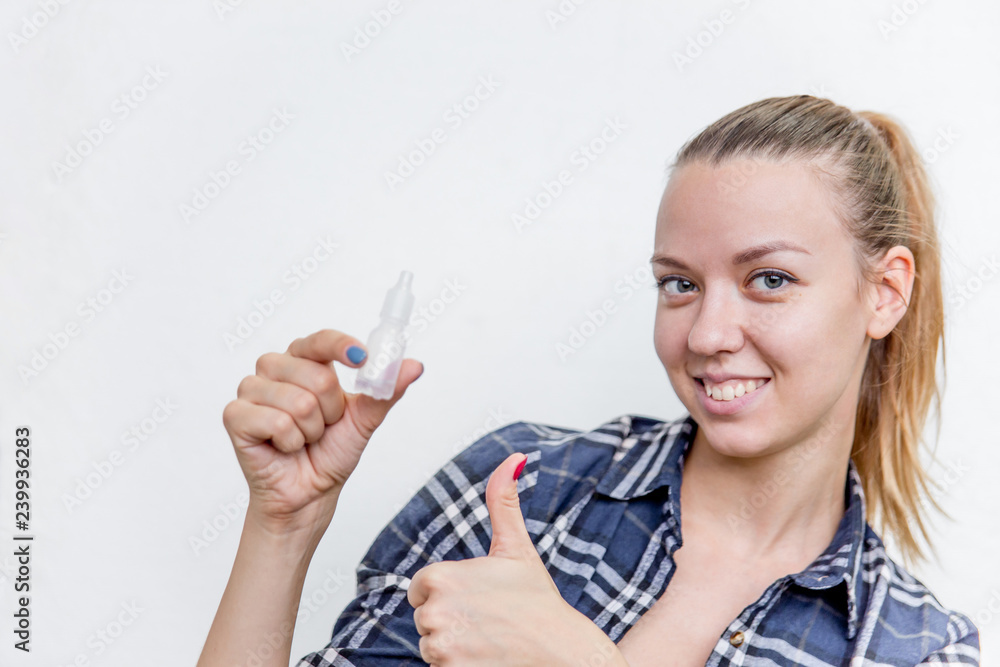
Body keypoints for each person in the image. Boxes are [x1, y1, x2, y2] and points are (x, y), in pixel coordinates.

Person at [197, 95, 981, 666]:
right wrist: (283, 525)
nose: (706, 333)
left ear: (885, 292)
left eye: (769, 279)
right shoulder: (526, 490)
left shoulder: (912, 647)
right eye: (678, 283)